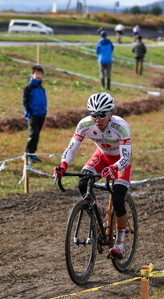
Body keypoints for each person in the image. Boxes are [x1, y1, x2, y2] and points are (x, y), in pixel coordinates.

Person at [53, 93, 131, 259]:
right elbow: (71, 148)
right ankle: (98, 209)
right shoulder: (85, 124)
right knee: (82, 183)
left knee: (118, 199)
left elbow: (126, 158)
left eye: (102, 114)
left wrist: (113, 168)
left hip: (120, 162)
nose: (97, 119)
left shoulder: (121, 127)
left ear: (111, 112)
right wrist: (63, 165)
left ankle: (120, 244)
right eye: (93, 115)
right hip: (102, 156)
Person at [23, 66, 47, 163]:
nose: (38, 76)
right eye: (36, 74)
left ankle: (32, 154)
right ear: (32, 75)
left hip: (41, 114)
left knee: (37, 135)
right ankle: (27, 153)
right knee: (33, 134)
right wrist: (30, 112)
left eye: (40, 74)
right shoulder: (28, 87)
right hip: (33, 115)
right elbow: (25, 101)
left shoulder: (41, 88)